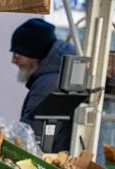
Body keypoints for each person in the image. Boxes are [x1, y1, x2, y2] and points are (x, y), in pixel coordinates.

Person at [10, 18, 76, 151]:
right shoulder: (60, 76)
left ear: (33, 54)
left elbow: (31, 140)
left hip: (58, 165)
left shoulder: (47, 86)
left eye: (17, 54)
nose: (13, 60)